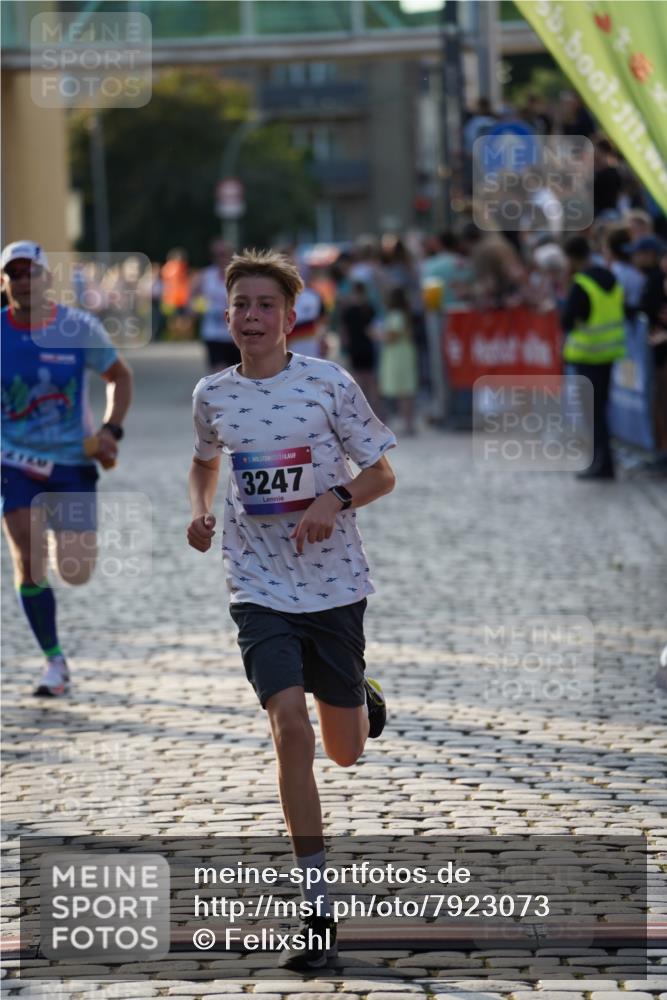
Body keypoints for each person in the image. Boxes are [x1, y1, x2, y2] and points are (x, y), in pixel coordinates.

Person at [187, 249, 396, 970]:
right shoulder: (212, 393)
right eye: (240, 304)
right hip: (257, 588)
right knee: (290, 733)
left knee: (345, 749)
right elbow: (205, 459)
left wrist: (331, 499)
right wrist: (199, 510)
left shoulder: (327, 385)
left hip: (334, 586)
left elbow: (380, 473)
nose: (251, 316)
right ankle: (316, 911)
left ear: (290, 318)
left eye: (264, 305)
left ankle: (359, 694)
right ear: (228, 316)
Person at [1, 241, 133, 695]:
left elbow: (120, 376)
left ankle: (61, 562)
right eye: (13, 272)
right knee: (29, 559)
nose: (22, 279)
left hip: (72, 462)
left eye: (30, 271)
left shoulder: (77, 327)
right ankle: (53, 662)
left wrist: (112, 431)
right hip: (13, 463)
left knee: (75, 569)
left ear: (46, 277)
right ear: (5, 282)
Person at [561, 236, 626, 479]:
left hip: (587, 355)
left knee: (592, 412)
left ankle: (601, 464)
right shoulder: (611, 277)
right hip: (610, 353)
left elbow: (567, 320)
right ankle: (605, 461)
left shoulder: (581, 283)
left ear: (571, 258)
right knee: (602, 409)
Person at [192, 239, 240, 371]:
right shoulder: (205, 276)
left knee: (239, 376)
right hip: (213, 334)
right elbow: (193, 298)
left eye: (224, 253)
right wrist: (196, 308)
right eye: (217, 254)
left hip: (237, 334)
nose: (221, 257)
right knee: (220, 375)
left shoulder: (239, 276)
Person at [378, 287, 419, 435]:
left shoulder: (396, 315)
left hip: (398, 354)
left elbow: (392, 337)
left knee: (403, 390)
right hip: (403, 352)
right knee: (406, 389)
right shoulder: (404, 314)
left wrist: (377, 335)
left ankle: (408, 424)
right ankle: (408, 423)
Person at [339, 280, 380, 415]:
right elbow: (375, 328)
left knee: (358, 382)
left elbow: (344, 332)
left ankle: (362, 413)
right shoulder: (369, 308)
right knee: (371, 381)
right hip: (368, 346)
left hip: (354, 347)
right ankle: (376, 412)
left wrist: (344, 347)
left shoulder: (348, 310)